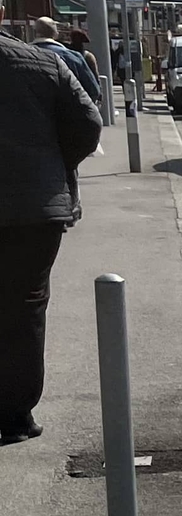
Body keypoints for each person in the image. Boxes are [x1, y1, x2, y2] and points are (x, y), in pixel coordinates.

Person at [0, 30, 105, 444]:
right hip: (34, 208)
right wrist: (54, 165)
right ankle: (15, 414)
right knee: (24, 305)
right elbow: (87, 123)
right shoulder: (42, 63)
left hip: (35, 202)